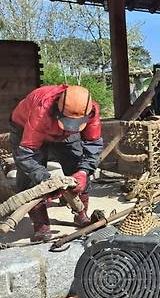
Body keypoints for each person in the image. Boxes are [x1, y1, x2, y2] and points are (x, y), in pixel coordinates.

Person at [10, 85, 104, 241]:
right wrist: (46, 180)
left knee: (77, 164)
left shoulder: (92, 111)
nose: (71, 126)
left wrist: (82, 172)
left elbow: (93, 146)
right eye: (68, 122)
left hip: (61, 130)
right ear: (58, 109)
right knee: (29, 177)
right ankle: (41, 226)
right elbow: (27, 155)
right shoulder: (42, 111)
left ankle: (81, 214)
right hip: (24, 126)